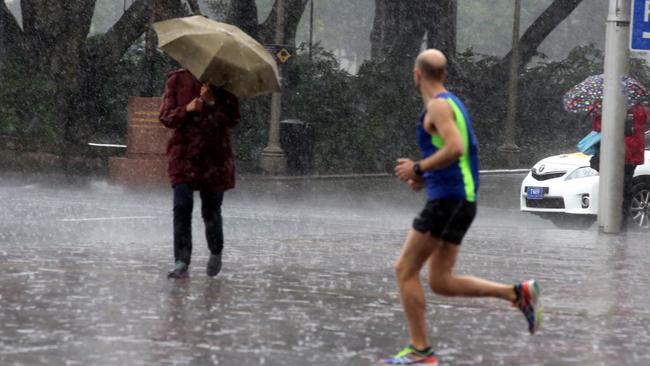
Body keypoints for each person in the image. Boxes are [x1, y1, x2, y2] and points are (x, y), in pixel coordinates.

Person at [382, 49, 542, 365]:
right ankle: (518, 293)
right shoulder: (452, 103)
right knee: (440, 281)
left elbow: (455, 149)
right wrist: (426, 177)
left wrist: (417, 169)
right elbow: (464, 156)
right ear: (443, 74)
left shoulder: (439, 106)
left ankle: (420, 351)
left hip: (449, 202)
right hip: (459, 200)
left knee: (405, 268)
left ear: (417, 74)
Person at [159, 69, 240, 279]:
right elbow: (166, 117)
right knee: (181, 206)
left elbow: (232, 119)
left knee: (211, 210)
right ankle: (181, 261)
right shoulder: (177, 79)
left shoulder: (225, 81)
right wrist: (188, 108)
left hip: (215, 157)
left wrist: (213, 103)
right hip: (184, 155)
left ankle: (215, 250)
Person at [589, 104, 647, 228]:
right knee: (625, 188)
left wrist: (598, 114)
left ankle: (614, 221)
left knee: (613, 189)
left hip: (617, 154)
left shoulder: (611, 107)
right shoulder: (639, 110)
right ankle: (622, 220)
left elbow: (599, 129)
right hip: (634, 154)